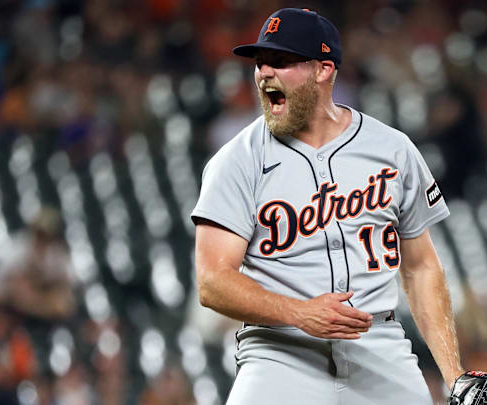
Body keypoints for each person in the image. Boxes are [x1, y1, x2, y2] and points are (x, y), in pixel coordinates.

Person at [192, 8, 468, 404]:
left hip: (380, 348)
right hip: (279, 354)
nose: (265, 72)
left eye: (282, 61)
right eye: (260, 62)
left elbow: (422, 265)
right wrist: (297, 312)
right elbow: (212, 281)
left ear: (323, 70)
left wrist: (454, 374)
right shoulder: (236, 161)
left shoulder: (392, 149)